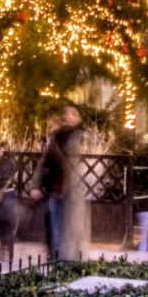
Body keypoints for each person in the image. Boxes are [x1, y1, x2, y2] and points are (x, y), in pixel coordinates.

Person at [37, 106, 86, 262]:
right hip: (55, 188)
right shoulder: (56, 136)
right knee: (56, 229)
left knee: (72, 228)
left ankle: (73, 260)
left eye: (72, 113)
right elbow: (44, 161)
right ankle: (58, 260)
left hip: (70, 190)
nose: (67, 116)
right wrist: (35, 186)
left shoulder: (80, 137)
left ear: (79, 118)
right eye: (65, 112)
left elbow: (76, 162)